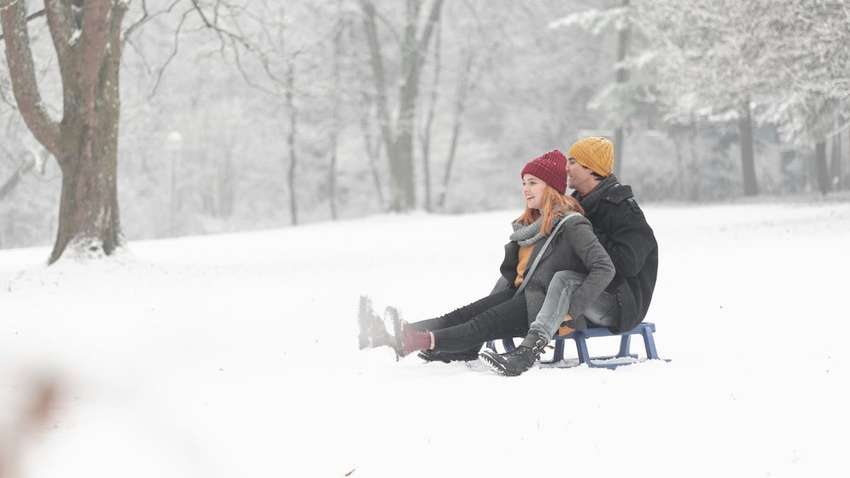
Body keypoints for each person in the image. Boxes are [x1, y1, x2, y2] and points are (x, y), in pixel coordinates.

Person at [358, 150, 615, 361]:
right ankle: (395, 334)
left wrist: (571, 309)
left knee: (481, 324)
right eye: (524, 183)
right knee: (461, 315)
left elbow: (603, 267)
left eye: (533, 182)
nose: (525, 189)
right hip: (522, 295)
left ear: (552, 187)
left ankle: (421, 341)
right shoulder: (532, 226)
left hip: (542, 307)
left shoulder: (571, 224)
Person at [480, 136, 659, 376]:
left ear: (592, 168)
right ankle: (474, 336)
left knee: (565, 279)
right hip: (580, 293)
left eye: (573, 161)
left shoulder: (624, 209)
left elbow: (627, 264)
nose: (566, 167)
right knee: (517, 277)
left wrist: (585, 233)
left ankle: (527, 352)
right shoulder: (576, 203)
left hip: (619, 301)